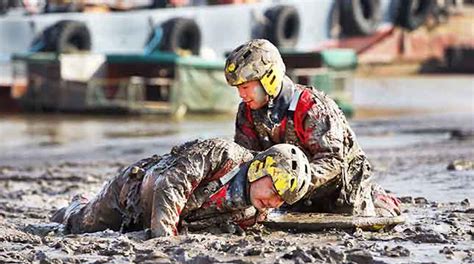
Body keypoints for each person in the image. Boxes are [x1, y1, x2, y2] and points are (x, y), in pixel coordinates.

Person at [224, 39, 400, 217]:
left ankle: (378, 197)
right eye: (238, 88)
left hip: (342, 187)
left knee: (370, 214)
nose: (241, 94)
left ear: (268, 79)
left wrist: (290, 182)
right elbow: (246, 159)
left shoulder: (310, 106)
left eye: (245, 86)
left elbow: (332, 159)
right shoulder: (246, 112)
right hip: (292, 192)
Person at [51, 138, 311, 237]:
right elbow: (172, 183)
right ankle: (74, 203)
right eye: (275, 191)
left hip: (150, 221)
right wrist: (165, 242)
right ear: (259, 169)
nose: (275, 202)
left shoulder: (255, 212)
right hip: (131, 192)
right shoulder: (224, 155)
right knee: (77, 226)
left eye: (282, 200)